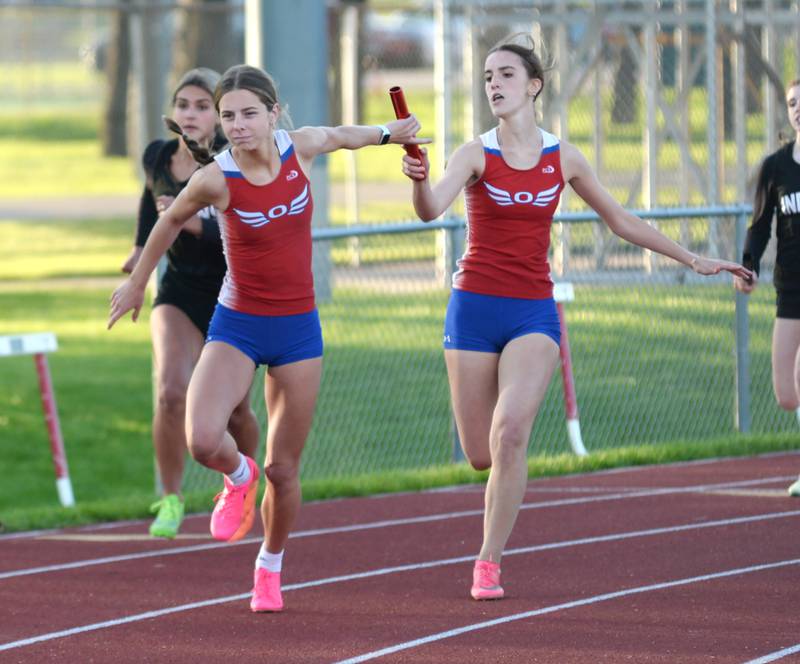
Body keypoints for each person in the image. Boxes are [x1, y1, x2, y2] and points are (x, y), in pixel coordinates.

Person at [401, 36, 752, 601]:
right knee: (480, 454)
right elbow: (428, 209)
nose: (494, 83)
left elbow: (620, 219)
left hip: (532, 313)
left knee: (511, 432)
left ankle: (488, 561)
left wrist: (694, 258)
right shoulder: (473, 153)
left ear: (534, 86)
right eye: (488, 75)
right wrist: (418, 177)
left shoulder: (563, 157)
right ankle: (493, 505)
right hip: (473, 308)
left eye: (507, 74)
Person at [109, 64, 427, 612]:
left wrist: (388, 134)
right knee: (203, 438)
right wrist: (138, 283)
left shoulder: (298, 148)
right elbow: (166, 222)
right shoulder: (216, 177)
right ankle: (238, 474)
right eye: (227, 116)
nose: (237, 126)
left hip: (298, 329)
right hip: (238, 322)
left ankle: (269, 565)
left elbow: (341, 136)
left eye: (248, 114)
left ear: (272, 113)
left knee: (285, 468)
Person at [122, 68, 259, 540]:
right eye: (185, 104)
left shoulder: (233, 160)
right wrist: (141, 252)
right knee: (170, 390)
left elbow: (250, 222)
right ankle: (171, 497)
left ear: (220, 116)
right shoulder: (158, 156)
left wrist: (199, 226)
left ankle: (240, 483)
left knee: (236, 412)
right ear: (173, 112)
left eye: (204, 106)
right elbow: (150, 205)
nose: (192, 114)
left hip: (233, 293)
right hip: (178, 290)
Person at [734, 78, 800, 497]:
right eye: (793, 102)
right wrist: (748, 265)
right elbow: (759, 227)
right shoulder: (776, 167)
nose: (798, 108)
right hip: (789, 290)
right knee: (787, 395)